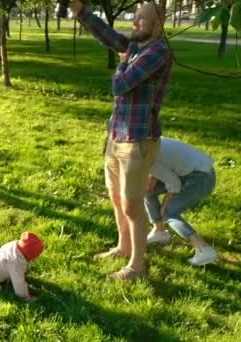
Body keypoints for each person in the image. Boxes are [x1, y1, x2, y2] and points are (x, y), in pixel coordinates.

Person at [68, 0, 173, 281]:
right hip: (117, 136)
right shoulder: (136, 46)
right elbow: (109, 35)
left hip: (138, 141)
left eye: (142, 18)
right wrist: (81, 12)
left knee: (132, 205)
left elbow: (121, 85)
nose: (135, 22)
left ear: (158, 25)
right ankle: (123, 246)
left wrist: (121, 65)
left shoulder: (158, 52)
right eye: (135, 16)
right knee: (116, 197)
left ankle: (137, 267)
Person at [145, 137, 218, 266]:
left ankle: (204, 249)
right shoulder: (147, 144)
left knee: (169, 212)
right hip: (188, 172)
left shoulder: (144, 157)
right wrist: (153, 178)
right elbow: (165, 162)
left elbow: (174, 183)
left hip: (202, 177)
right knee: (147, 191)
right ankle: (159, 231)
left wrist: (165, 205)